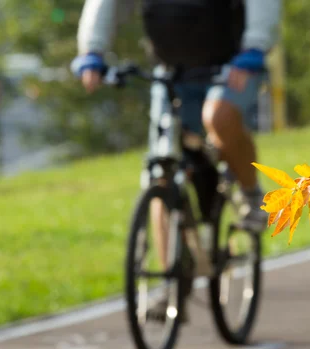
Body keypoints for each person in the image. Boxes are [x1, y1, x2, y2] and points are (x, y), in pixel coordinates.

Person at [70, 0, 282, 233]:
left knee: (219, 118)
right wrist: (92, 50)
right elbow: (105, 5)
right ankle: (171, 265)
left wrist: (256, 46)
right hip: (172, 71)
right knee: (161, 169)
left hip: (233, 67)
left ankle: (250, 194)